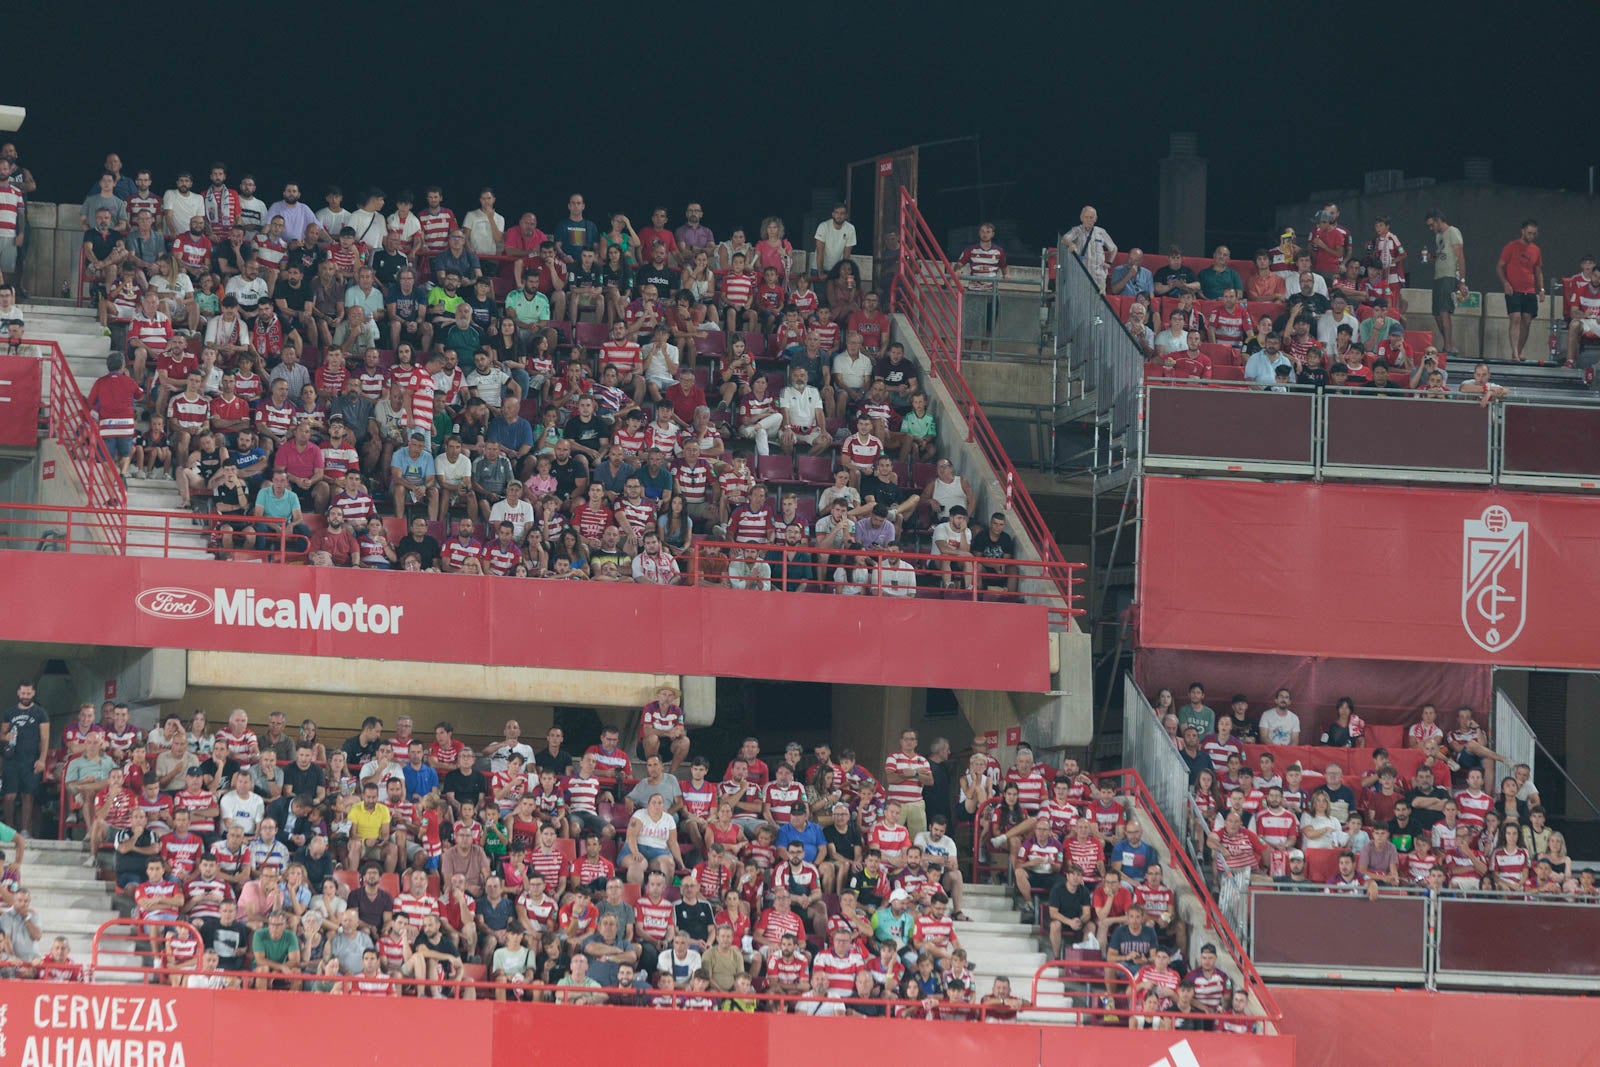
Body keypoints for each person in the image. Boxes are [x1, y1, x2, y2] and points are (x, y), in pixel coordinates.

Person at [1425, 208, 1467, 355]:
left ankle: (1448, 346)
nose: (1431, 228)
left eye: (1432, 225)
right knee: (1437, 312)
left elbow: (1460, 256)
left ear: (1438, 220)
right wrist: (1431, 258)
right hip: (1438, 276)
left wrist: (1461, 281)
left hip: (1449, 276)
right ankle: (1448, 344)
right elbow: (1442, 255)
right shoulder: (1439, 236)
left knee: (1444, 311)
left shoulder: (1453, 232)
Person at [1063, 206, 1117, 291]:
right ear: (1081, 218)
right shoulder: (1077, 230)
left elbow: (1113, 248)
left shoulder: (1101, 232)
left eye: (1091, 217)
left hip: (1098, 276)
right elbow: (1064, 239)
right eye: (1086, 217)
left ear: (1095, 219)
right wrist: (1071, 243)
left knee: (1099, 302)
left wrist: (1109, 262)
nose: (1088, 220)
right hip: (1081, 275)